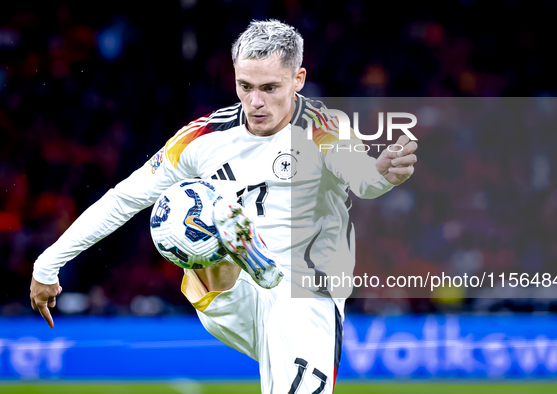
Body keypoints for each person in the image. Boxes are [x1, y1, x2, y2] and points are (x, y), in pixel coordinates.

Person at [30, 20, 417, 393]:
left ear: (298, 80)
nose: (255, 102)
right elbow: (124, 198)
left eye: (269, 87)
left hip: (306, 296)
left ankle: (241, 239)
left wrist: (383, 173)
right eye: (244, 86)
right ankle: (237, 244)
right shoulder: (203, 136)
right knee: (191, 211)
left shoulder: (323, 127)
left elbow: (360, 176)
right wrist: (47, 265)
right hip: (230, 289)